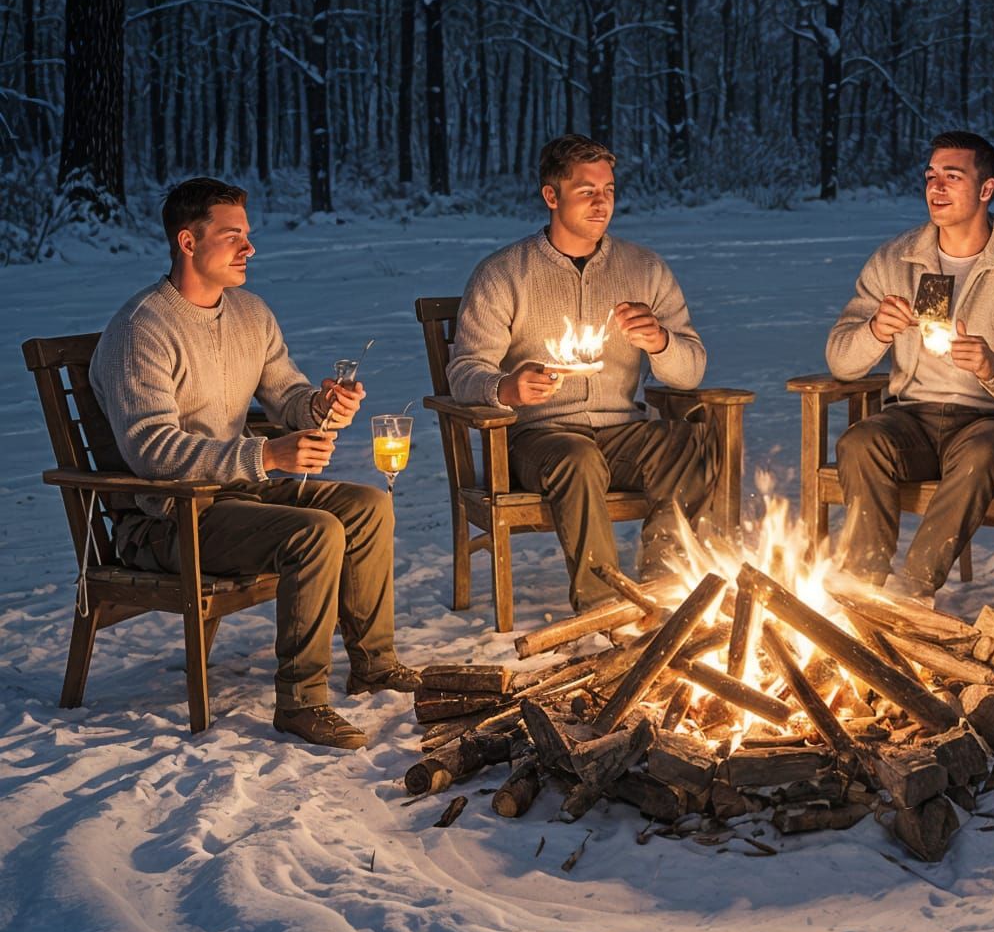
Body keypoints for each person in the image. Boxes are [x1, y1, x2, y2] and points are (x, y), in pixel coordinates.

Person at [91, 178, 419, 749]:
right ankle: (301, 701)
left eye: (249, 234)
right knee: (314, 534)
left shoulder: (250, 313)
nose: (250, 249)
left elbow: (286, 395)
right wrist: (266, 454)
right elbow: (151, 449)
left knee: (366, 506)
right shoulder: (142, 328)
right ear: (188, 242)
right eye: (233, 235)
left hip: (237, 496)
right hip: (170, 518)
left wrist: (321, 406)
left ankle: (373, 663)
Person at [448, 135, 718, 611]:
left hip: (621, 432)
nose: (601, 202)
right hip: (541, 439)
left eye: (609, 189)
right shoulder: (505, 274)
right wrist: (505, 387)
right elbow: (465, 371)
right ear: (551, 196)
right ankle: (603, 605)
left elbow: (691, 370)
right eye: (586, 190)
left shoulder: (645, 269)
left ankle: (664, 593)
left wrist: (660, 341)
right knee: (577, 456)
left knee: (687, 444)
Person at [825, 130, 994, 600]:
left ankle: (912, 591)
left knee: (980, 455)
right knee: (861, 441)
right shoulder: (896, 260)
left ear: (986, 189)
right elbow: (839, 359)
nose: (935, 188)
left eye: (952, 177)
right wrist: (875, 330)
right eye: (931, 176)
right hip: (910, 418)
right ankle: (860, 588)